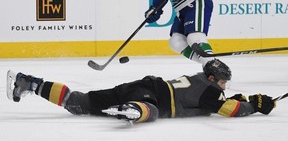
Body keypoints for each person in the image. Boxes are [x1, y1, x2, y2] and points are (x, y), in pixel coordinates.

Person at [7, 59, 276, 123]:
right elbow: (227, 109)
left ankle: (28, 81)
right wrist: (254, 106)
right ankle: (133, 110)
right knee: (153, 112)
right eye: (222, 82)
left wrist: (246, 98)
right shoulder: (209, 90)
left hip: (144, 85)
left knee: (79, 102)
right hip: (151, 95)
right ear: (211, 78)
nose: (224, 87)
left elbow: (220, 102)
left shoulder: (199, 80)